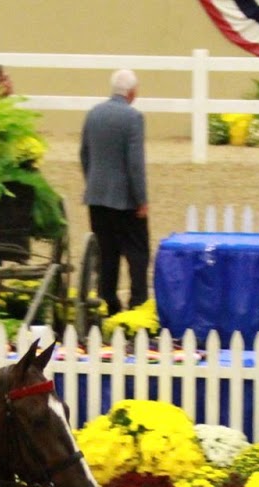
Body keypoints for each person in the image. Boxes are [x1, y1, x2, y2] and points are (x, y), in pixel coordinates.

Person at [79, 68, 149, 318]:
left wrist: (93, 182)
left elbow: (84, 154)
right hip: (125, 200)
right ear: (131, 92)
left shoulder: (94, 114)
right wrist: (141, 199)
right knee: (137, 254)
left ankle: (108, 303)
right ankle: (138, 305)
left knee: (107, 255)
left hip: (97, 197)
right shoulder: (133, 117)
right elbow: (135, 163)